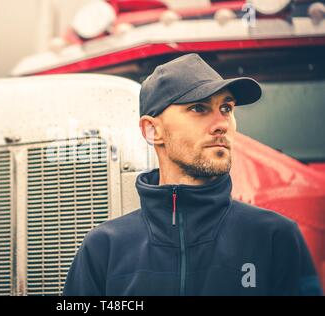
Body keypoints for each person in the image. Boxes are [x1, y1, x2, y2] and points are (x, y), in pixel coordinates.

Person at [63, 53, 323, 296]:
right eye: (199, 108)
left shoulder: (274, 237)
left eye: (227, 109)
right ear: (152, 130)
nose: (222, 124)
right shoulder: (103, 250)